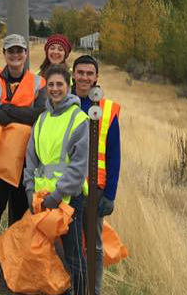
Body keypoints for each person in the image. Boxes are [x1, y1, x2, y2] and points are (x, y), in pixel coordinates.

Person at [0, 34, 47, 272]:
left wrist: (7, 108)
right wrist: (22, 111)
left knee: (20, 211)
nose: (15, 55)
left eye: (20, 51)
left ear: (26, 54)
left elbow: (40, 115)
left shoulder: (39, 83)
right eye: (10, 51)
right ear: (4, 54)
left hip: (26, 161)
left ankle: (15, 257)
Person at [24, 65, 89, 294]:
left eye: (59, 84)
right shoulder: (41, 119)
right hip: (42, 200)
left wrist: (57, 195)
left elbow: (79, 167)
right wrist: (30, 190)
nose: (54, 89)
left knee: (73, 256)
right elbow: (31, 159)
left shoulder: (79, 119)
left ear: (68, 86)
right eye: (50, 84)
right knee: (49, 253)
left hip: (68, 200)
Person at [72, 55, 121, 294]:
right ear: (73, 75)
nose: (84, 77)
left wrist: (110, 194)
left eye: (89, 73)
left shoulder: (107, 109)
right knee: (67, 244)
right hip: (66, 186)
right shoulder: (62, 102)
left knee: (94, 245)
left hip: (95, 189)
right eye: (80, 72)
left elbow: (114, 155)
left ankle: (94, 290)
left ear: (96, 77)